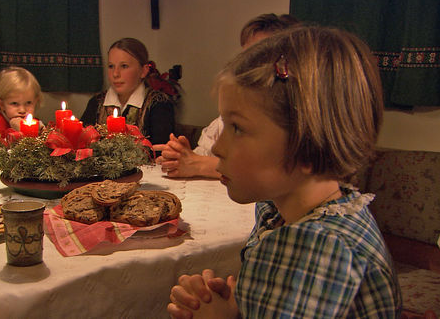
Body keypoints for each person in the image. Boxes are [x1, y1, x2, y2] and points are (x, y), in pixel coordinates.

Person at [167, 26, 401, 317]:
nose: (218, 148)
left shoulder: (320, 251)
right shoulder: (282, 211)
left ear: (308, 146)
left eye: (237, 128)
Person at [155, 13, 298, 178]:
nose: (246, 65)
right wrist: (181, 156)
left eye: (259, 56)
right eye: (246, 55)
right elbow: (206, 152)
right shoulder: (231, 111)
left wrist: (200, 165)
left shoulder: (292, 116)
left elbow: (278, 172)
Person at [80, 37, 176, 145]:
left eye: (124, 66)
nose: (115, 74)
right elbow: (82, 143)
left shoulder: (159, 103)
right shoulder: (97, 102)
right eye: (111, 66)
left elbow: (160, 151)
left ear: (143, 71)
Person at [0, 66, 43, 159]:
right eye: (14, 103)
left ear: (36, 102)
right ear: (1, 104)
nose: (22, 110)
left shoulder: (37, 124)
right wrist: (15, 136)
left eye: (28, 103)